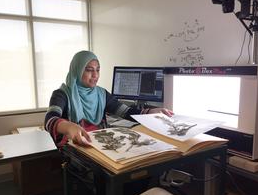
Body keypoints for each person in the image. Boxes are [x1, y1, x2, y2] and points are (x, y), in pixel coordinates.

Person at [44, 50, 173, 148]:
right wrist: (68, 127)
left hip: (102, 146)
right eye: (89, 70)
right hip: (77, 150)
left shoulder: (101, 94)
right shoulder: (62, 94)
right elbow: (50, 119)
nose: (95, 75)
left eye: (98, 70)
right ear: (77, 71)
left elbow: (126, 111)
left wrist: (151, 112)